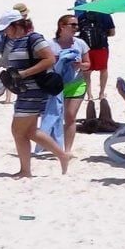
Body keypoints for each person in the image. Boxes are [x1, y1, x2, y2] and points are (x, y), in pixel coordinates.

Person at [0, 11, 71, 177]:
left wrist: (24, 74)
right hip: (24, 90)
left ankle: (26, 170)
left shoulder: (34, 38)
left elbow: (50, 59)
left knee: (17, 130)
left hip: (34, 90)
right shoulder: (15, 42)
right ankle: (61, 155)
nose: (5, 32)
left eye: (6, 28)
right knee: (29, 131)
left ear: (16, 25)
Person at [47, 13, 91, 153]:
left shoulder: (80, 43)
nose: (76, 27)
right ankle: (55, 146)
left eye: (77, 25)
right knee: (54, 116)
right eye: (73, 25)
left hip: (76, 84)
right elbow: (45, 64)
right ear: (62, 26)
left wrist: (80, 65)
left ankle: (67, 150)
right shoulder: (50, 44)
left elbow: (88, 64)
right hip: (56, 84)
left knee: (70, 116)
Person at [73, 5, 116, 126]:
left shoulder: (83, 16)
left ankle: (89, 95)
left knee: (87, 71)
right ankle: (101, 93)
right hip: (101, 47)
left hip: (86, 47)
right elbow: (112, 33)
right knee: (103, 69)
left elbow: (77, 30)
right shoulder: (105, 15)